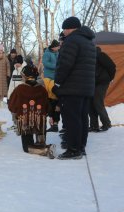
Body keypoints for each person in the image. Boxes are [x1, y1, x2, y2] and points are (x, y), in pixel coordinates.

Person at [53, 17, 96, 159]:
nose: (63, 32)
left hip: (72, 87)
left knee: (71, 119)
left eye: (64, 29)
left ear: (70, 28)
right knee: (82, 118)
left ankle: (73, 149)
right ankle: (80, 147)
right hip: (86, 88)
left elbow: (65, 65)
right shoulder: (89, 42)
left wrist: (57, 83)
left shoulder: (71, 41)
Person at [8, 65, 55, 159]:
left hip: (25, 122)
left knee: (26, 148)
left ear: (24, 76)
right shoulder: (42, 89)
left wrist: (15, 115)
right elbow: (48, 107)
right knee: (40, 142)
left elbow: (12, 106)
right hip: (40, 123)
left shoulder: (19, 89)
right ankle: (42, 145)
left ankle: (45, 150)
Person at [89, 46, 116, 132]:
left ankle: (106, 123)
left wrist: (110, 78)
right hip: (92, 83)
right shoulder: (86, 57)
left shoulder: (101, 55)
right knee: (90, 103)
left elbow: (112, 66)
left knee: (97, 101)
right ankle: (94, 125)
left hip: (102, 82)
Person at [42, 40, 61, 132]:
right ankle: (52, 122)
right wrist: (56, 66)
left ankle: (55, 123)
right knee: (49, 98)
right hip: (48, 77)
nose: (58, 48)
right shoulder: (47, 53)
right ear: (53, 47)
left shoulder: (58, 53)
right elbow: (45, 63)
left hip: (56, 77)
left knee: (55, 99)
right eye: (57, 47)